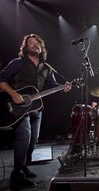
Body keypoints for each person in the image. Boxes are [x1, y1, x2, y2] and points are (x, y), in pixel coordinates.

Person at [0, 34, 72, 189]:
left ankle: (24, 166)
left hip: (36, 107)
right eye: (30, 43)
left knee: (33, 141)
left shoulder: (46, 67)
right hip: (18, 106)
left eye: (37, 43)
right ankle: (16, 176)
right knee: (24, 136)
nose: (34, 45)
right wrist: (13, 93)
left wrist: (63, 87)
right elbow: (2, 80)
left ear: (41, 47)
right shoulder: (18, 63)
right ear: (25, 48)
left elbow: (52, 85)